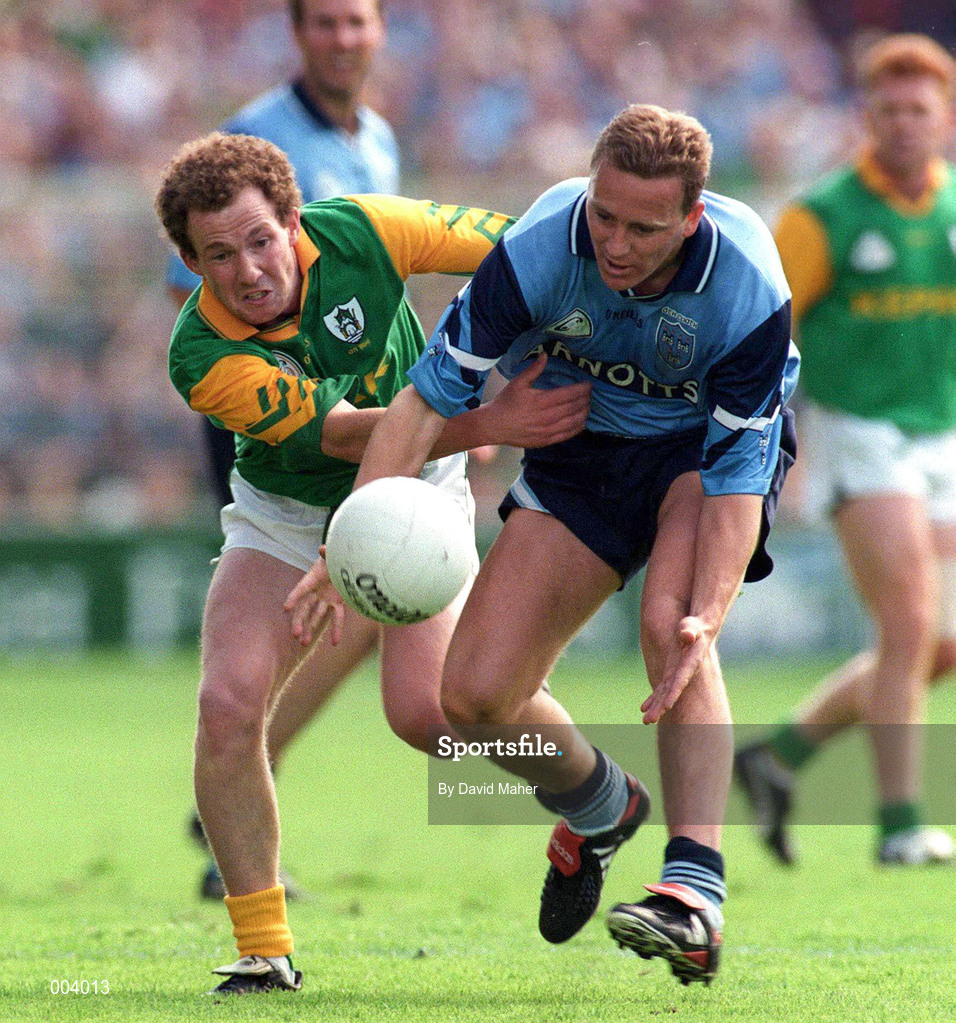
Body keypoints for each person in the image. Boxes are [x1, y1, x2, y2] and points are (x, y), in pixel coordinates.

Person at [287, 103, 800, 987]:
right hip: (582, 444)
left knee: (671, 625)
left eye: (644, 229)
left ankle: (694, 894)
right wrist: (348, 543)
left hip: (700, 456)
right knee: (472, 697)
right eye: (605, 215)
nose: (616, 244)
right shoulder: (537, 246)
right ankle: (601, 805)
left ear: (691, 218)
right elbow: (424, 404)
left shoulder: (747, 284)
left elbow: (735, 480)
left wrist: (708, 615)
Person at [154, 131, 591, 995]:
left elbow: (522, 247)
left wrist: (583, 314)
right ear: (192, 264)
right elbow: (349, 434)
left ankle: (594, 794)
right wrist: (492, 420)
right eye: (219, 256)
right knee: (227, 704)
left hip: (411, 491)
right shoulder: (199, 355)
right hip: (285, 516)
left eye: (260, 240)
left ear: (293, 221)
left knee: (430, 715)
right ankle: (263, 950)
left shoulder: (366, 230)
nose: (248, 270)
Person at [165, 0, 400, 900]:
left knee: (361, 607)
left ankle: (237, 789)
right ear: (298, 35)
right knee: (328, 610)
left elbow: (377, 289)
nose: (343, 39)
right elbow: (195, 286)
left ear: (379, 30)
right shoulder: (253, 139)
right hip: (272, 419)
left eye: (357, 22)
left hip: (362, 415)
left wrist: (425, 409)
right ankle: (238, 792)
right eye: (325, 23)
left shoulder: (376, 138)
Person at [734, 33, 956, 868]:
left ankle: (778, 756)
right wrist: (767, 443)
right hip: (857, 430)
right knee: (907, 623)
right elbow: (764, 331)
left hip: (940, 433)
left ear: (944, 116)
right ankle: (900, 825)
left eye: (919, 109)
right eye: (888, 109)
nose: (904, 123)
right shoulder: (822, 216)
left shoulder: (951, 207)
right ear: (867, 116)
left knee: (941, 644)